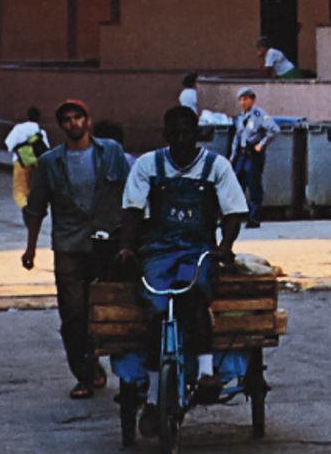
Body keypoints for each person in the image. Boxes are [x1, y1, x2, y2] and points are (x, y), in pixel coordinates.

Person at [117, 105, 247, 434]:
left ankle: (205, 373)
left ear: (196, 134)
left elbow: (233, 211)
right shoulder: (148, 165)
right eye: (173, 133)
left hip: (197, 249)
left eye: (186, 132)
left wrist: (225, 245)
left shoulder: (216, 166)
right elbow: (132, 209)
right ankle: (153, 398)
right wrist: (127, 247)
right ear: (165, 135)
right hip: (158, 250)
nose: (180, 139)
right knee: (156, 310)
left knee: (194, 296)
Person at [22, 99, 129, 400]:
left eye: (77, 117)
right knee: (73, 315)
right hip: (69, 246)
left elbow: (132, 194)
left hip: (106, 243)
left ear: (88, 120)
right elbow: (36, 208)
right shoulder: (50, 163)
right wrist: (30, 248)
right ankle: (84, 373)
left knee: (114, 310)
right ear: (61, 126)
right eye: (67, 119)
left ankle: (125, 374)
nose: (73, 123)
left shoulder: (111, 153)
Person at [229, 91, 279, 230]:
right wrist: (233, 156)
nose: (242, 102)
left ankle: (254, 218)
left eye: (245, 99)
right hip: (242, 154)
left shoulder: (259, 115)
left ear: (252, 100)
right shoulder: (241, 117)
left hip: (253, 155)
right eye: (241, 100)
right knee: (237, 185)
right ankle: (235, 217)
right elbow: (237, 137)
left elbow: (274, 129)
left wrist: (261, 144)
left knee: (254, 185)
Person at [5, 116, 48, 212]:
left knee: (20, 189)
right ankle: (35, 207)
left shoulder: (18, 128)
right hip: (36, 162)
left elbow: (9, 145)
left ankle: (25, 208)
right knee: (33, 187)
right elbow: (46, 148)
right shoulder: (41, 131)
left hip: (20, 162)